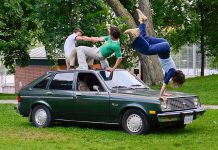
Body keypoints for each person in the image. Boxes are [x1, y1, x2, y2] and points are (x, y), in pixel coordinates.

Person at [124, 9, 185, 98]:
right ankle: (137, 34)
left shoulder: (171, 70)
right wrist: (160, 96)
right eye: (176, 82)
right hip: (164, 48)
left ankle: (142, 20)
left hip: (164, 44)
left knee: (145, 39)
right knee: (147, 50)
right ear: (176, 79)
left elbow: (165, 80)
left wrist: (164, 93)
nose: (174, 83)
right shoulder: (171, 71)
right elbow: (165, 82)